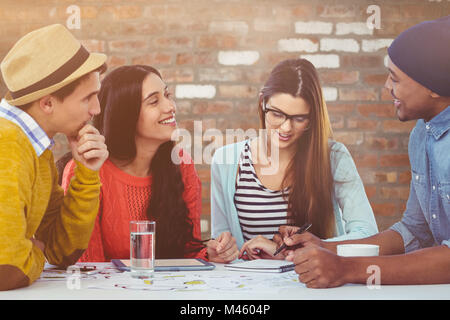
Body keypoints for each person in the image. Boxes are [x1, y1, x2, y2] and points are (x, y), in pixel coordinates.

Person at [278, 16, 450, 288]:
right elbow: (413, 231)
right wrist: (326, 248)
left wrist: (346, 269)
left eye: (395, 78)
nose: (386, 87)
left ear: (431, 85)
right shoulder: (421, 134)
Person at [62, 65, 237, 263]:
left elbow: (188, 251)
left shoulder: (181, 165)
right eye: (154, 101)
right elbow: (87, 264)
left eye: (167, 95)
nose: (170, 107)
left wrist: (211, 253)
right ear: (125, 115)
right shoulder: (88, 170)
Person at [210, 58, 378, 260]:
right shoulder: (226, 160)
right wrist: (220, 250)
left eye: (299, 119)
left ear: (313, 117)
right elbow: (221, 239)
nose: (286, 128)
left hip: (316, 286)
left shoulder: (333, 157)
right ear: (262, 101)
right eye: (277, 114)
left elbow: (367, 235)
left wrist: (297, 250)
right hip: (248, 287)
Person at [0, 24, 109, 290]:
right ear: (47, 103)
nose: (96, 109)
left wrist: (86, 172)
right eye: (88, 98)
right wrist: (36, 253)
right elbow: (7, 271)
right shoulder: (8, 144)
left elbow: (61, 250)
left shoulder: (36, 148)